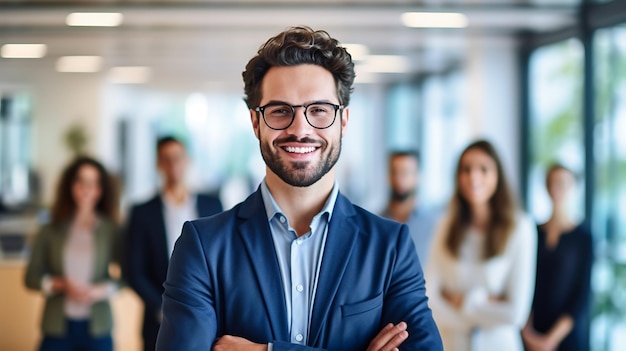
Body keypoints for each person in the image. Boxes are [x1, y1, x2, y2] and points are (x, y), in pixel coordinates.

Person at [156, 26, 442, 351]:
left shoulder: (390, 248)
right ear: (255, 122)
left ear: (344, 121)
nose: (300, 129)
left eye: (319, 110)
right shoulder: (204, 248)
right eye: (280, 111)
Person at [425, 139, 537, 351]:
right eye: (466, 169)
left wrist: (463, 301)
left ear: (498, 176)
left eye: (483, 169)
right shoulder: (445, 225)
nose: (473, 177)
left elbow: (516, 314)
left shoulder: (521, 228)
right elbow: (429, 300)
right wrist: (488, 303)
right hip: (451, 345)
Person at [124, 135, 223, 351]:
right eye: (166, 159)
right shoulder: (142, 212)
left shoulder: (212, 205)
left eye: (178, 157)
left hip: (209, 318)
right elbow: (133, 271)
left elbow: (223, 261)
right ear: (158, 164)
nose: (173, 164)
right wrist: (162, 306)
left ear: (187, 160)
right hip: (158, 321)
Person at [24, 156, 121, 351]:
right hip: (57, 327)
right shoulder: (49, 229)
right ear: (71, 185)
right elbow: (30, 278)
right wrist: (59, 284)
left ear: (101, 189)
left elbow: (127, 277)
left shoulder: (112, 230)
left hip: (98, 328)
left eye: (93, 183)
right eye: (81, 181)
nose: (87, 188)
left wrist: (97, 291)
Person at [522, 164, 593, 351]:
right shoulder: (533, 232)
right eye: (552, 183)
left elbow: (581, 295)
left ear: (573, 188)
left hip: (567, 338)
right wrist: (527, 332)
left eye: (562, 183)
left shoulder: (583, 238)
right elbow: (526, 284)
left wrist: (550, 341)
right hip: (531, 333)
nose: (556, 188)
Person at [381, 150, 440, 265]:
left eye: (405, 173)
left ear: (418, 176)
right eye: (394, 172)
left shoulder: (435, 224)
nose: (399, 178)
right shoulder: (376, 221)